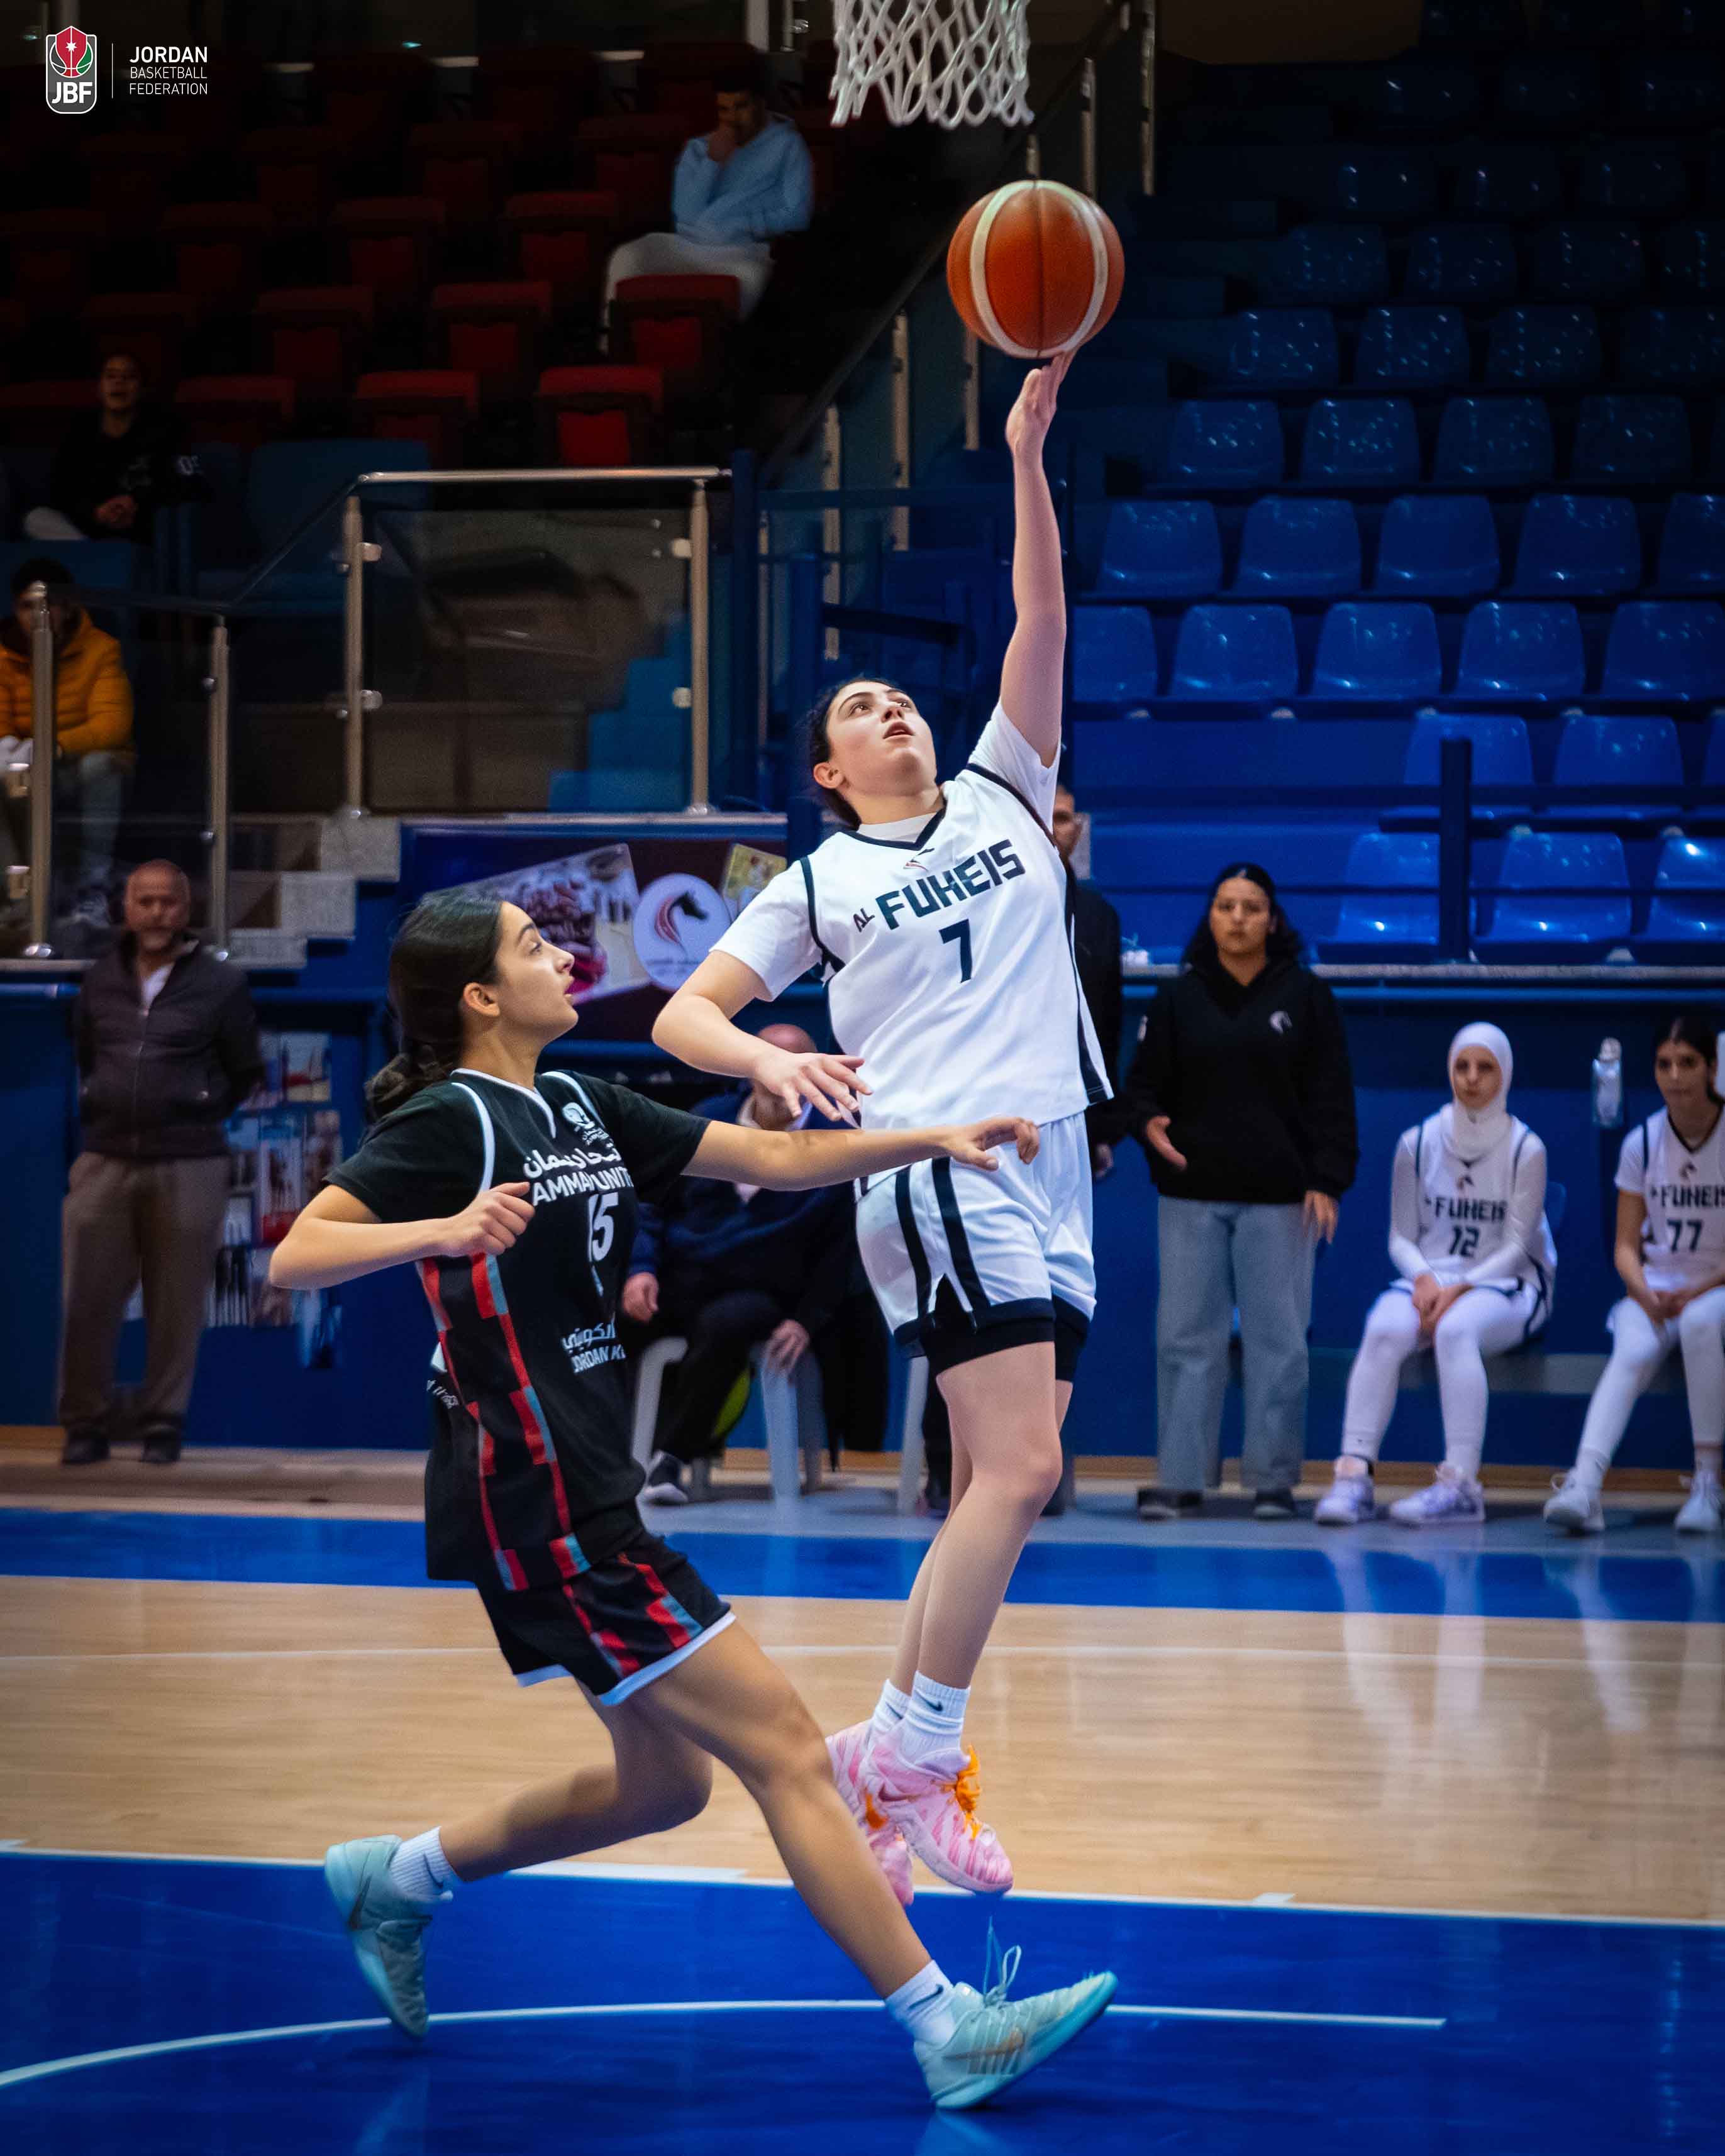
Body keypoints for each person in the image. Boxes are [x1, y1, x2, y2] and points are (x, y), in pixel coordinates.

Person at [269, 890, 1114, 2111]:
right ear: (481, 997)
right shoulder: (451, 1120)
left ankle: (395, 1878)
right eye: (532, 946)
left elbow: (770, 1157)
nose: (564, 956)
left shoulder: (581, 1100)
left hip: (580, 1483)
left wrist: (930, 1138)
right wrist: (444, 1226)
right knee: (788, 1751)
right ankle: (949, 2027)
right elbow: (298, 1250)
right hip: (538, 1496)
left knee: (665, 1785)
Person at [653, 355, 1107, 1905]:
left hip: (1054, 1159)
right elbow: (685, 1016)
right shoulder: (817, 881)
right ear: (828, 774)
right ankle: (916, 1753)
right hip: (937, 1159)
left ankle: (881, 1749)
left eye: (896, 694)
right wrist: (772, 1067)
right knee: (1022, 1467)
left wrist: (1024, 451)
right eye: (858, 710)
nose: (889, 707)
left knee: (1000, 1478)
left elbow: (1040, 621)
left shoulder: (1002, 788)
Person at [1122, 862, 1358, 1523]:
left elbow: (1332, 1096)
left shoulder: (1307, 997)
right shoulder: (1178, 998)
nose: (1237, 919)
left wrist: (1327, 1179)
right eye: (1225, 906)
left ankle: (1273, 1480)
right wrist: (1146, 1121)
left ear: (1272, 920)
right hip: (1191, 1193)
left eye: (1251, 908)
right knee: (1185, 1339)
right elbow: (1140, 1087)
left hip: (1280, 1198)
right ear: (1210, 915)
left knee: (1278, 1342)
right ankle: (1180, 1478)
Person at [59, 860, 263, 1467]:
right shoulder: (100, 979)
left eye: (167, 901)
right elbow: (86, 1053)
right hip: (104, 1157)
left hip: (190, 1160)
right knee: (86, 1300)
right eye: (144, 901)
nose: (155, 912)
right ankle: (84, 1423)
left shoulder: (221, 984)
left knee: (176, 1303)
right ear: (126, 908)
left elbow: (244, 1068)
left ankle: (162, 1423)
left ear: (185, 909)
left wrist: (199, 1107)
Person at [621, 1020, 875, 1504]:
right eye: (771, 1066)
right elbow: (653, 1203)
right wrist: (640, 1269)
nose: (783, 1081)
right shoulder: (707, 1120)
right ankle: (597, 1458)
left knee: (728, 1323)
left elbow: (841, 1248)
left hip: (765, 1292)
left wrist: (807, 1320)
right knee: (607, 1317)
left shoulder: (837, 1139)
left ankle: (670, 1459)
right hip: (684, 1277)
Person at [1317, 1023, 1555, 1529]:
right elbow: (1400, 1238)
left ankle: (1461, 1485)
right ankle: (1354, 1476)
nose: (1471, 1078)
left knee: (1455, 1329)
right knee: (1383, 1327)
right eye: (1461, 1066)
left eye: (1484, 1067)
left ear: (1504, 1073)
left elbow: (1517, 1247)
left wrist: (1459, 1289)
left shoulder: (1526, 1147)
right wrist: (1426, 1278)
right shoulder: (1417, 1140)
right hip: (1431, 1278)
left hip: (1511, 1285)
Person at [1547, 1012, 1725, 1538]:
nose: (1675, 1075)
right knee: (1632, 1348)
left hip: (1715, 1286)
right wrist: (1644, 1292)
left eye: (1687, 1062)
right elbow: (1624, 1246)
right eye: (1664, 1064)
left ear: (1712, 1068)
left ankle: (1707, 1483)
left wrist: (1698, 1288)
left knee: (1699, 1323)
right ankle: (1584, 1485)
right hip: (1656, 1288)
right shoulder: (1641, 1143)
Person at [601, 59, 813, 328]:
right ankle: (611, 341)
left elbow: (798, 214)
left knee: (748, 281)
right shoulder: (699, 148)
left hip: (742, 251)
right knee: (627, 256)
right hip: (685, 245)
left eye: (741, 107)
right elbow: (684, 216)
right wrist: (712, 163)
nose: (732, 119)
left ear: (760, 104)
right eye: (724, 109)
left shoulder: (788, 145)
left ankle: (712, 350)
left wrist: (744, 224)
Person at [0, 555, 134, 932]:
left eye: (47, 606)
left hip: (76, 766)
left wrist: (51, 747)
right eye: (27, 607)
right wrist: (11, 748)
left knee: (102, 764)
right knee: (5, 778)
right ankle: (20, 897)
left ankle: (93, 887)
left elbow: (113, 726)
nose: (37, 616)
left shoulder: (102, 649)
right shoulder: (3, 654)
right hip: (26, 770)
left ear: (68, 607)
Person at [24, 350, 202, 546]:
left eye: (129, 377)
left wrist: (137, 503)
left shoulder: (166, 429)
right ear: (99, 387)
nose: (119, 382)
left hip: (140, 528)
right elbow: (61, 489)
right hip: (87, 532)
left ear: (142, 389)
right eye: (111, 376)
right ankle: (97, 556)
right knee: (36, 518)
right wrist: (95, 512)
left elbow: (191, 484)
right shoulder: (80, 431)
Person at [1052, 782, 1125, 1180]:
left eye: (1061, 818)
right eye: (1038, 815)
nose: (1049, 827)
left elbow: (1105, 1025)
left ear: (1078, 829)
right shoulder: (984, 907)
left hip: (1077, 1112)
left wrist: (1103, 1128)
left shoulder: (1100, 917)